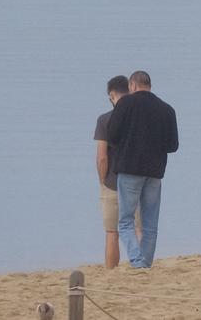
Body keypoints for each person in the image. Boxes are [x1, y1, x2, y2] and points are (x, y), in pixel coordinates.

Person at [104, 70, 180, 268]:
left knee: (126, 220)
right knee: (150, 223)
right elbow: (173, 145)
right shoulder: (166, 109)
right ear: (149, 85)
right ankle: (144, 263)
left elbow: (112, 135)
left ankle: (137, 262)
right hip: (155, 172)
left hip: (129, 169)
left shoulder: (125, 104)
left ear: (133, 86)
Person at [93, 75, 129, 268]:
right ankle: (140, 269)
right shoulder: (137, 119)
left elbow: (102, 157)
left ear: (112, 95)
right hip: (136, 179)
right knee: (138, 229)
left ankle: (111, 273)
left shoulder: (104, 120)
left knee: (111, 232)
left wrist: (102, 179)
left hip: (112, 182)